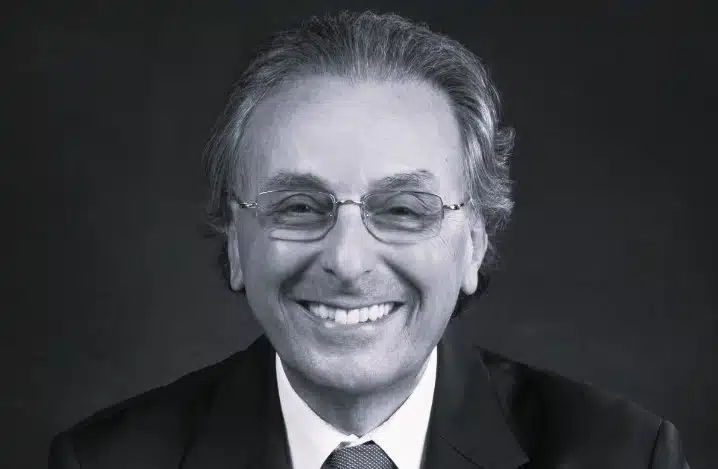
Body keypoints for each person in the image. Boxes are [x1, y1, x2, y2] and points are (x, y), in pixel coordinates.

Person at [49, 11, 690, 469]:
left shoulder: (627, 456)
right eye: (299, 207)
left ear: (473, 243)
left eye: (404, 209)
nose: (347, 261)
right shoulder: (102, 460)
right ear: (237, 243)